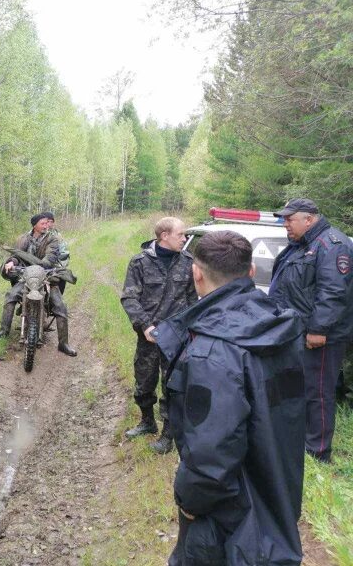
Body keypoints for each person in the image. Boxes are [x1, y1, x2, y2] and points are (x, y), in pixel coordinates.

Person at [154, 231, 305, 566]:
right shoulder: (281, 326)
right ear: (251, 272)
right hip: (278, 488)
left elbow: (211, 452)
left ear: (196, 273)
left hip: (227, 519)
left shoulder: (212, 351)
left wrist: (191, 502)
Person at [268, 198, 353, 463]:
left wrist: (318, 329)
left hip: (320, 336)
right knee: (301, 389)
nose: (285, 225)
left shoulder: (332, 245)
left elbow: (333, 292)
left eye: (289, 219)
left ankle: (318, 452)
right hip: (297, 332)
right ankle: (302, 440)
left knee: (318, 392)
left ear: (309, 219)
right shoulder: (302, 245)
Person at [120, 217, 197, 454]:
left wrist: (192, 329)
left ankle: (168, 435)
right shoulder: (140, 263)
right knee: (144, 381)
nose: (184, 239)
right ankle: (147, 422)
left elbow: (194, 300)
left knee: (172, 385)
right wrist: (145, 326)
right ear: (164, 236)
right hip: (149, 337)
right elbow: (129, 298)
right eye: (180, 234)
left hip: (176, 337)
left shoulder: (188, 262)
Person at [0, 212, 77, 356]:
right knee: (11, 296)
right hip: (27, 278)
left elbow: (49, 260)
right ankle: (3, 331)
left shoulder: (53, 239)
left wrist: (35, 263)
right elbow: (17, 255)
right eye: (43, 223)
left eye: (47, 223)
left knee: (60, 306)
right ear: (35, 225)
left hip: (47, 278)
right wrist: (12, 262)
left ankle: (63, 344)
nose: (46, 226)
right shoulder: (23, 238)